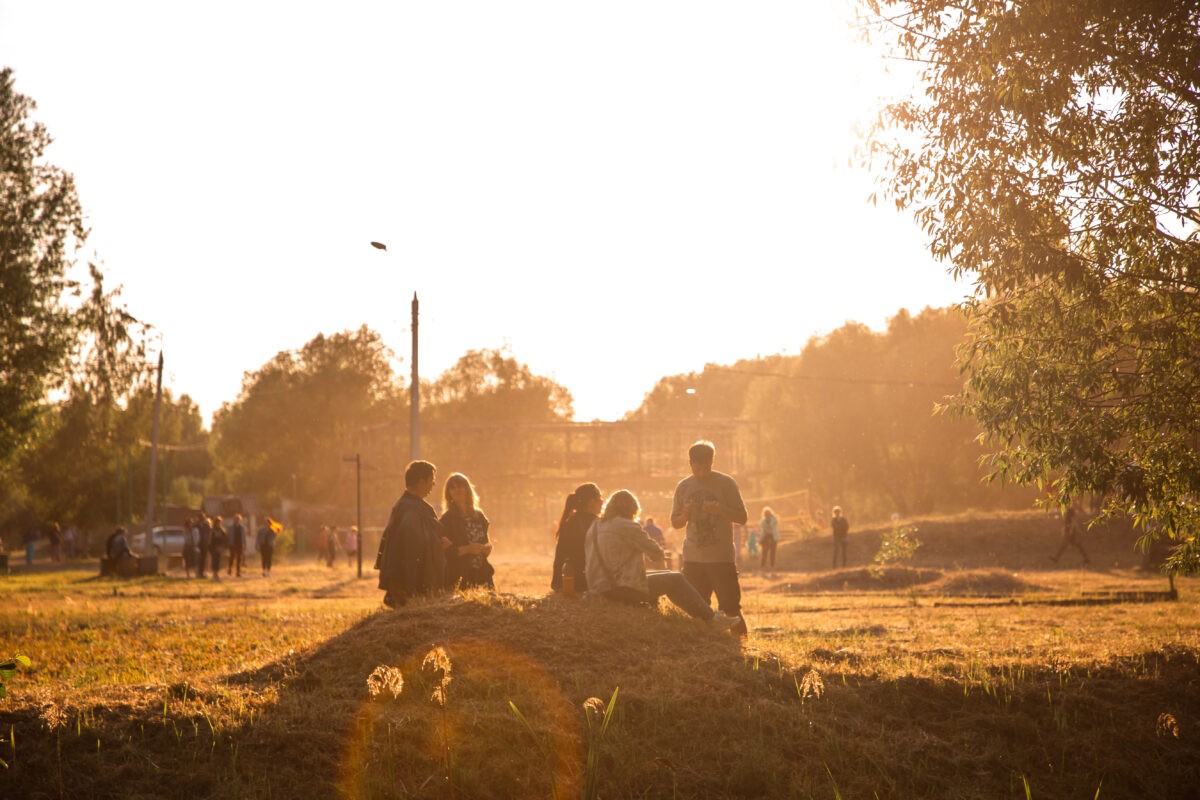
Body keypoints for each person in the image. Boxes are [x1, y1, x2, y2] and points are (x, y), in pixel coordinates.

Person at [587, 489, 737, 628]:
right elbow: (656, 552)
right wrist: (656, 554)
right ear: (632, 510)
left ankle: (704, 617)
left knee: (651, 577)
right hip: (622, 590)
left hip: (598, 588)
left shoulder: (594, 527)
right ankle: (711, 619)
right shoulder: (627, 525)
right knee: (675, 579)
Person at [671, 440, 750, 636]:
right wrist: (685, 515)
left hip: (721, 559)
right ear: (690, 463)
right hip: (692, 559)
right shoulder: (683, 486)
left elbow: (742, 517)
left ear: (712, 462)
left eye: (707, 465)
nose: (703, 470)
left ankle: (743, 649)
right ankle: (703, 647)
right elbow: (675, 522)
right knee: (697, 610)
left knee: (731, 608)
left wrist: (720, 509)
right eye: (698, 466)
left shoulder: (726, 483)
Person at [375, 460, 446, 608]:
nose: (433, 485)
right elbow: (412, 549)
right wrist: (410, 586)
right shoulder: (411, 511)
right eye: (431, 481)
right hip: (409, 582)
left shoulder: (411, 507)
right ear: (421, 482)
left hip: (409, 580)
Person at [439, 472, 496, 590]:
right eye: (452, 488)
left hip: (482, 575)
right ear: (449, 493)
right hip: (460, 578)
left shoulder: (480, 516)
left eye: (460, 486)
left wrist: (487, 548)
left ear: (467, 489)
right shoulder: (446, 520)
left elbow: (486, 544)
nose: (456, 490)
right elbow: (446, 553)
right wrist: (468, 549)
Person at [550, 483, 602, 595]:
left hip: (567, 582)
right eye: (600, 498)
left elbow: (559, 558)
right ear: (591, 502)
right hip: (586, 583)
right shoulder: (596, 523)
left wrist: (557, 584)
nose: (602, 502)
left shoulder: (569, 522)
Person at [1050, 500, 1091, 566]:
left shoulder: (1071, 510)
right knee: (1077, 545)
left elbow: (1073, 521)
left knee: (1065, 545)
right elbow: (1068, 521)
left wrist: (1071, 530)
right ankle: (1086, 558)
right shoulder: (1068, 509)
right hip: (1069, 529)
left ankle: (1056, 558)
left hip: (1070, 530)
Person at [210, 516, 228, 580]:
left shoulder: (222, 530)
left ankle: (217, 572)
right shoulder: (212, 530)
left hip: (220, 547)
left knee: (218, 560)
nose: (218, 524)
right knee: (214, 560)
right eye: (217, 522)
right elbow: (211, 540)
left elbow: (225, 539)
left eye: (219, 522)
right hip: (214, 547)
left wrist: (224, 547)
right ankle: (214, 573)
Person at [196, 514, 212, 578]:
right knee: (198, 559)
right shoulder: (196, 526)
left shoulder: (207, 526)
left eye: (203, 518)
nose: (201, 520)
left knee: (203, 559)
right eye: (200, 518)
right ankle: (198, 573)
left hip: (204, 545)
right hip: (198, 545)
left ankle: (202, 573)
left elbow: (209, 535)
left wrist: (208, 542)